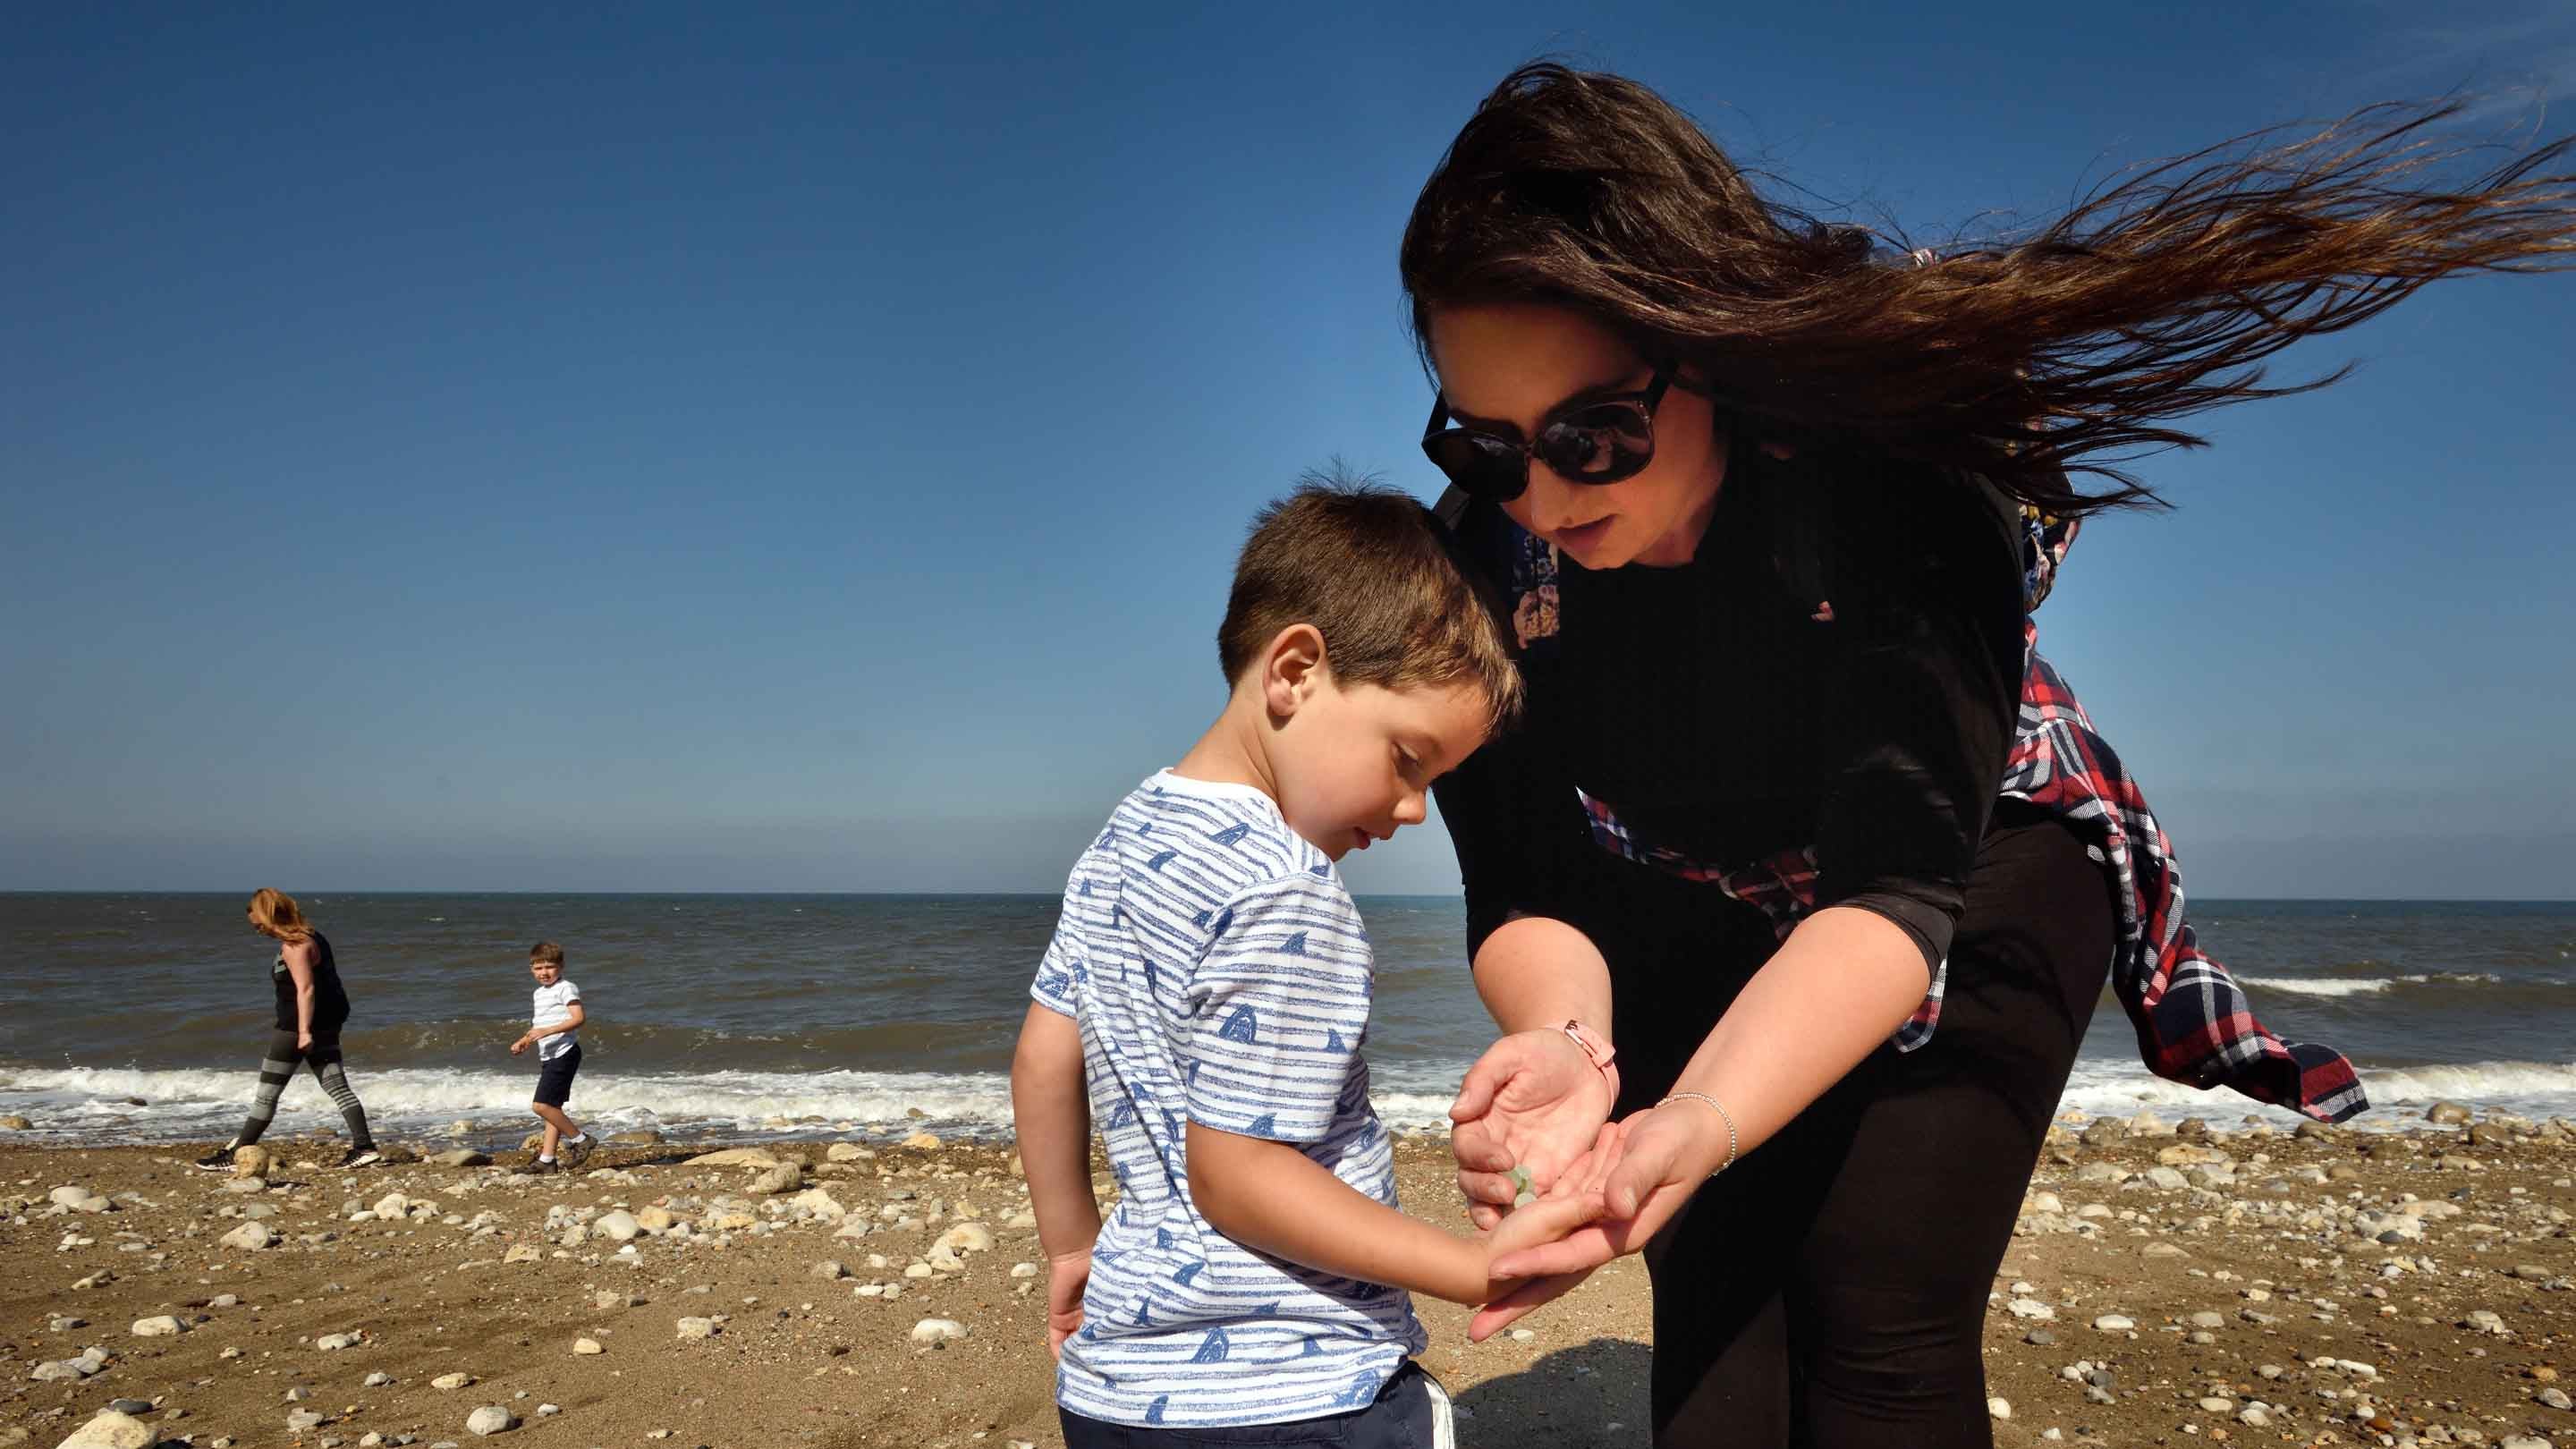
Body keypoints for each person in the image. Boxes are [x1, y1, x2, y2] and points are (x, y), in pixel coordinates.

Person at [1403, 65, 2576, 1449]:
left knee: (1875, 1300)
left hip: (1980, 851)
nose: (1539, 491)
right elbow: (1531, 872)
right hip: (1684, 890)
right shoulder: (1484, 566)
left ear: (1706, 350)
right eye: (1483, 445)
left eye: (1591, 435)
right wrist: (1569, 1046)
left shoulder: (1899, 477)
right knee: (1719, 1299)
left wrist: (1702, 1116)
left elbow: (1894, 894)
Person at [1009, 481, 1604, 1445]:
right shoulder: (1288, 892)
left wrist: (1072, 1239)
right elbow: (1236, 1173)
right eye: (1407, 759)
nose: (1413, 812)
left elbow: (1042, 1058)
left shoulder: (1121, 841)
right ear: (1294, 671)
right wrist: (1469, 1267)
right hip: (1293, 1387)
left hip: (1117, 1387)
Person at [194, 888, 380, 1170]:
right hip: (325, 1023)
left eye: (259, 925)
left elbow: (306, 990)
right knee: (336, 1085)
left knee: (268, 1093)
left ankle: (236, 1154)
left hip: (296, 1028)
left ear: (270, 916)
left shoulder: (295, 946)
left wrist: (304, 1032)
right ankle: (364, 1147)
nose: (259, 932)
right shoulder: (314, 937)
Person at [509, 940, 592, 1172]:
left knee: (541, 1105)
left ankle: (581, 1140)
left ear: (561, 966)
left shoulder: (566, 988)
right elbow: (540, 1023)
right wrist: (525, 1040)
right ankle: (547, 1161)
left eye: (549, 967)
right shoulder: (539, 993)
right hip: (549, 1054)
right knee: (553, 1109)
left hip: (564, 1053)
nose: (544, 973)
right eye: (538, 968)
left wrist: (547, 1031)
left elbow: (578, 1018)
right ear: (531, 969)